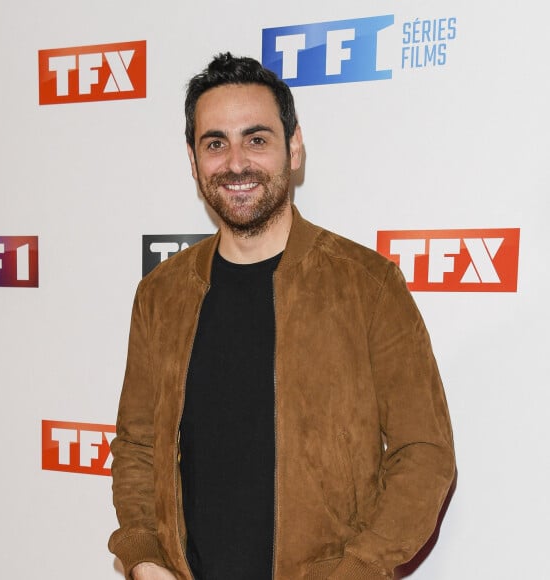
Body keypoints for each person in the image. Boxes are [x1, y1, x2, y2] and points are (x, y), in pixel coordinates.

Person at [108, 52, 455, 580]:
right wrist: (145, 558)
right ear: (193, 158)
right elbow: (136, 445)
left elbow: (425, 452)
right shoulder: (161, 295)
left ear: (293, 149)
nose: (236, 163)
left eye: (257, 139)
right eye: (215, 143)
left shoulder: (368, 286)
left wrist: (357, 570)